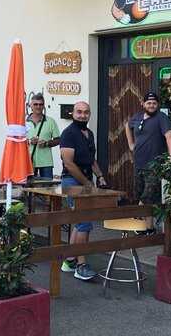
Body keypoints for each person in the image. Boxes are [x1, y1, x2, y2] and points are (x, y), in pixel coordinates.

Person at [60, 101, 107, 281]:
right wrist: (88, 183)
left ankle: (70, 260)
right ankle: (81, 265)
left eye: (86, 112)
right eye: (79, 112)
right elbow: (69, 164)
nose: (82, 115)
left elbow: (91, 160)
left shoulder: (90, 134)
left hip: (86, 181)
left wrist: (100, 176)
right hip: (72, 182)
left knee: (79, 221)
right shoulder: (68, 134)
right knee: (84, 223)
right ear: (72, 113)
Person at [125, 92, 171, 233]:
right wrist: (131, 144)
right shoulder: (137, 117)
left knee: (147, 196)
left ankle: (136, 219)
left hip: (155, 165)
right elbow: (127, 126)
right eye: (149, 103)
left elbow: (170, 137)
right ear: (143, 104)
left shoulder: (162, 118)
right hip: (138, 163)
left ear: (157, 104)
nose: (151, 105)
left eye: (154, 103)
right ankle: (149, 228)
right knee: (141, 194)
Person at [26, 93, 60, 178]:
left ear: (43, 106)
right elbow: (17, 140)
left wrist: (46, 143)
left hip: (46, 162)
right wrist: (30, 141)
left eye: (41, 104)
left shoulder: (51, 121)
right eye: (35, 104)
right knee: (28, 188)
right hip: (28, 161)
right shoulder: (23, 121)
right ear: (30, 105)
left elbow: (58, 140)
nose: (38, 106)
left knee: (47, 188)